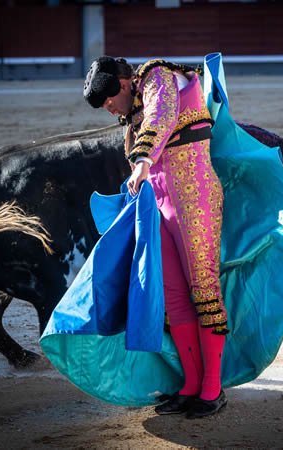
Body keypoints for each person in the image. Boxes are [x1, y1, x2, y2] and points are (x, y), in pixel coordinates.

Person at [83, 56, 228, 419]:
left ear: (123, 84)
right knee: (173, 297)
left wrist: (143, 161)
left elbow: (161, 115)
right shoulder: (131, 111)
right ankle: (191, 385)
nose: (109, 109)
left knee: (204, 290)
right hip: (158, 204)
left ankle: (213, 390)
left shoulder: (157, 76)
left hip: (195, 195)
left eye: (109, 101)